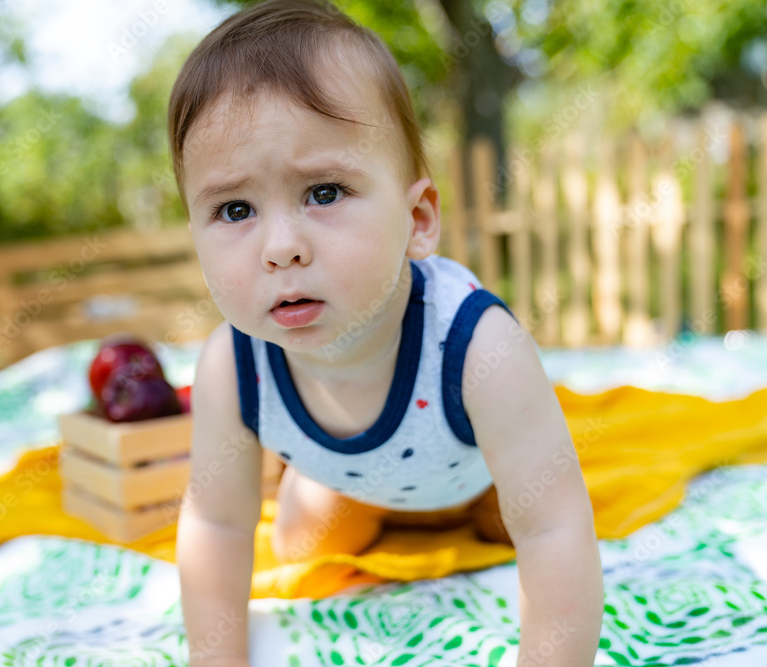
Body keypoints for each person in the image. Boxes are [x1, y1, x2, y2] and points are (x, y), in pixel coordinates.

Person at [167, 1, 603, 665]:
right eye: (235, 209)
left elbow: (555, 527)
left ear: (419, 218)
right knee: (298, 543)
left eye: (323, 192)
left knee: (522, 520)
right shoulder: (234, 366)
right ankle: (327, 482)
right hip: (347, 480)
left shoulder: (477, 346)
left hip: (478, 474)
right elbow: (218, 523)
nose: (281, 247)